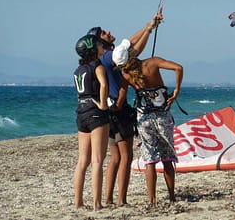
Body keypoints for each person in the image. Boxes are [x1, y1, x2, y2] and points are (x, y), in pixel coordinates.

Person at [87, 14, 163, 207]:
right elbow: (132, 50)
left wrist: (148, 27)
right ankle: (121, 200)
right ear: (99, 41)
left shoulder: (102, 59)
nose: (109, 32)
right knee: (126, 156)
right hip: (119, 111)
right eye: (104, 32)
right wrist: (148, 29)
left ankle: (109, 198)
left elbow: (130, 46)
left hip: (109, 112)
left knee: (115, 158)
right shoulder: (107, 57)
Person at [112, 38, 184, 205]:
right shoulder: (152, 62)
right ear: (132, 53)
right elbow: (178, 68)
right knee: (167, 157)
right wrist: (177, 90)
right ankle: (171, 196)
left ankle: (152, 200)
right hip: (162, 117)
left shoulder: (126, 76)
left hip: (143, 118)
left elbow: (119, 102)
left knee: (149, 159)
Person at [73, 34, 110, 211]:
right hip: (96, 114)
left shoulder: (78, 70)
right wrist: (103, 104)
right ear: (92, 48)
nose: (102, 46)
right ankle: (97, 203)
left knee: (82, 161)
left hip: (81, 113)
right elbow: (103, 85)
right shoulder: (98, 66)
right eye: (99, 44)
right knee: (97, 160)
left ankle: (78, 202)